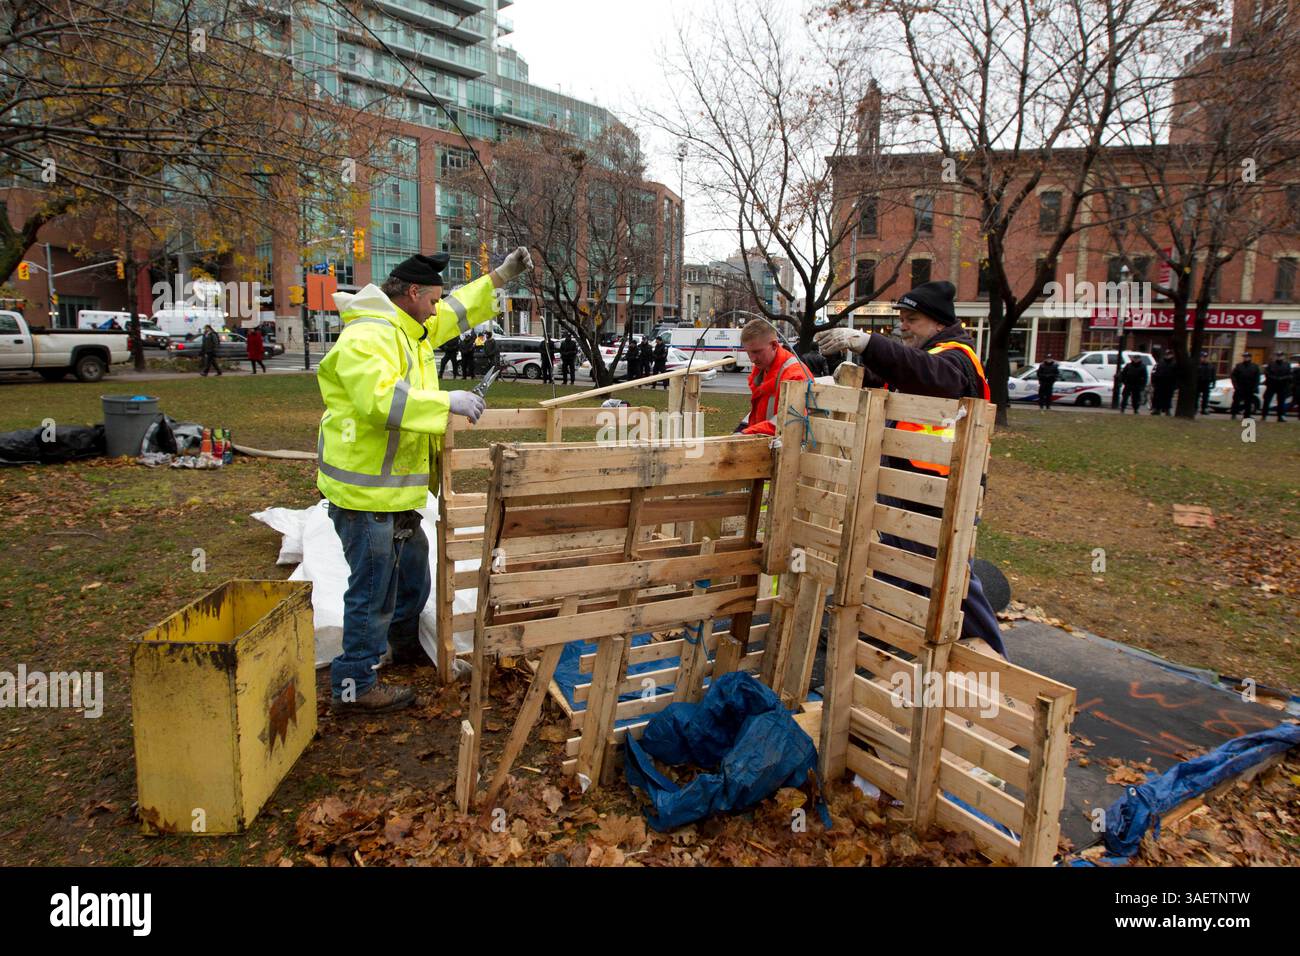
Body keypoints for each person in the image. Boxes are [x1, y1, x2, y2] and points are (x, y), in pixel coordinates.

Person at [316, 246, 532, 715]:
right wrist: (445, 403)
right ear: (412, 293)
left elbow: (454, 312)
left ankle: (399, 647)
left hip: (395, 493)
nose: (437, 308)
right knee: (373, 590)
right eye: (431, 299)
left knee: (412, 574)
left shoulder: (407, 329)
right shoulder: (369, 336)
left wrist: (497, 278)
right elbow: (380, 400)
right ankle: (353, 684)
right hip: (365, 493)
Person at [814, 280, 1005, 656]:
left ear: (936, 323)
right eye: (901, 318)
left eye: (912, 319)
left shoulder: (957, 358)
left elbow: (930, 375)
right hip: (908, 485)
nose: (904, 326)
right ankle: (885, 632)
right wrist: (837, 370)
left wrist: (868, 343)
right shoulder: (925, 355)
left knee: (950, 577)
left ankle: (992, 658)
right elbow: (893, 379)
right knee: (896, 563)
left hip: (942, 491)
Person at [734, 318, 812, 436]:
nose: (752, 359)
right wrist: (743, 428)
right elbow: (760, 410)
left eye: (757, 352)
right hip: (766, 444)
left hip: (786, 449)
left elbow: (790, 419)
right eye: (748, 352)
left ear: (774, 345)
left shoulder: (795, 375)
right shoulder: (763, 368)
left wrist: (746, 433)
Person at [1262, 353, 1290, 422]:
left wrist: (1282, 378)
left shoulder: (1286, 365)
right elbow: (1267, 373)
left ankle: (1280, 416)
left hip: (1282, 385)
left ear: (1283, 357)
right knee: (1267, 400)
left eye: (1280, 356)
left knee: (1281, 401)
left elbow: (1289, 375)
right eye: (1278, 356)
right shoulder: (1271, 364)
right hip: (1272, 385)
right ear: (1276, 357)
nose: (1279, 357)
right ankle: (1264, 415)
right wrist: (1274, 378)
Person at [1230, 355, 1261, 419]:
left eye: (1247, 357)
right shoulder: (1239, 366)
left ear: (1250, 358)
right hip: (1240, 387)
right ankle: (1234, 414)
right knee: (1236, 401)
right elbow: (1233, 376)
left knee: (1248, 402)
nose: (1246, 358)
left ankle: (1247, 415)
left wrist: (1255, 387)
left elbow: (1257, 378)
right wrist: (1235, 385)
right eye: (1244, 357)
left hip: (1250, 387)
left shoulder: (1254, 367)